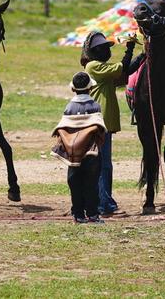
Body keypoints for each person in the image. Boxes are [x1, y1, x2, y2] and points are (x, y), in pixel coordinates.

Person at [80, 31, 143, 216]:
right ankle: (102, 205)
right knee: (101, 165)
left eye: (106, 48)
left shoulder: (103, 69)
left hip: (104, 123)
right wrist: (130, 49)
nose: (105, 51)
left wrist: (143, 54)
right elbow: (123, 67)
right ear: (92, 52)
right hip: (99, 123)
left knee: (104, 164)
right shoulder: (93, 67)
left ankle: (105, 201)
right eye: (101, 48)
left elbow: (126, 70)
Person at [50, 72, 106, 223]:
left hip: (73, 154)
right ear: (90, 89)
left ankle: (78, 215)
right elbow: (100, 131)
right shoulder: (95, 106)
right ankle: (93, 215)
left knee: (75, 183)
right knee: (92, 184)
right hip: (91, 153)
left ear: (73, 89)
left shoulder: (69, 107)